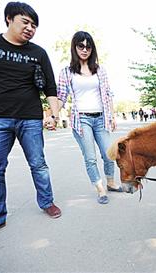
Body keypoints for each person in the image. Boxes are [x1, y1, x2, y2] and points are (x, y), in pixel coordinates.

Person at [0, 2, 61, 241]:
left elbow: (50, 87)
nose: (30, 28)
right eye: (25, 22)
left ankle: (47, 202)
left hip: (30, 117)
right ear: (9, 18)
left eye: (34, 25)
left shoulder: (38, 52)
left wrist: (54, 114)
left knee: (38, 163)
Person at [56, 31, 123, 205]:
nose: (85, 49)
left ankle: (111, 182)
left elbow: (108, 94)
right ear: (75, 47)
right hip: (82, 120)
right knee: (90, 157)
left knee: (109, 153)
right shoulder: (67, 72)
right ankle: (100, 189)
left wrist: (112, 115)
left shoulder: (100, 70)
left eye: (88, 46)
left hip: (101, 118)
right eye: (81, 46)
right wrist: (52, 115)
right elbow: (61, 97)